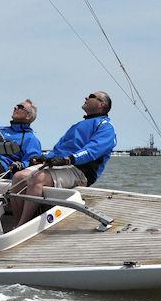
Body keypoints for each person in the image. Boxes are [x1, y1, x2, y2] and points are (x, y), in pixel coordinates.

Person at [11, 91, 116, 226]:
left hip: (80, 170)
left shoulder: (106, 127)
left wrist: (68, 159)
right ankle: (16, 223)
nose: (86, 97)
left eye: (91, 96)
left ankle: (22, 226)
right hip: (62, 164)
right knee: (19, 177)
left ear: (102, 104)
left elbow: (92, 151)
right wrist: (44, 158)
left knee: (38, 178)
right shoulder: (78, 125)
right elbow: (58, 150)